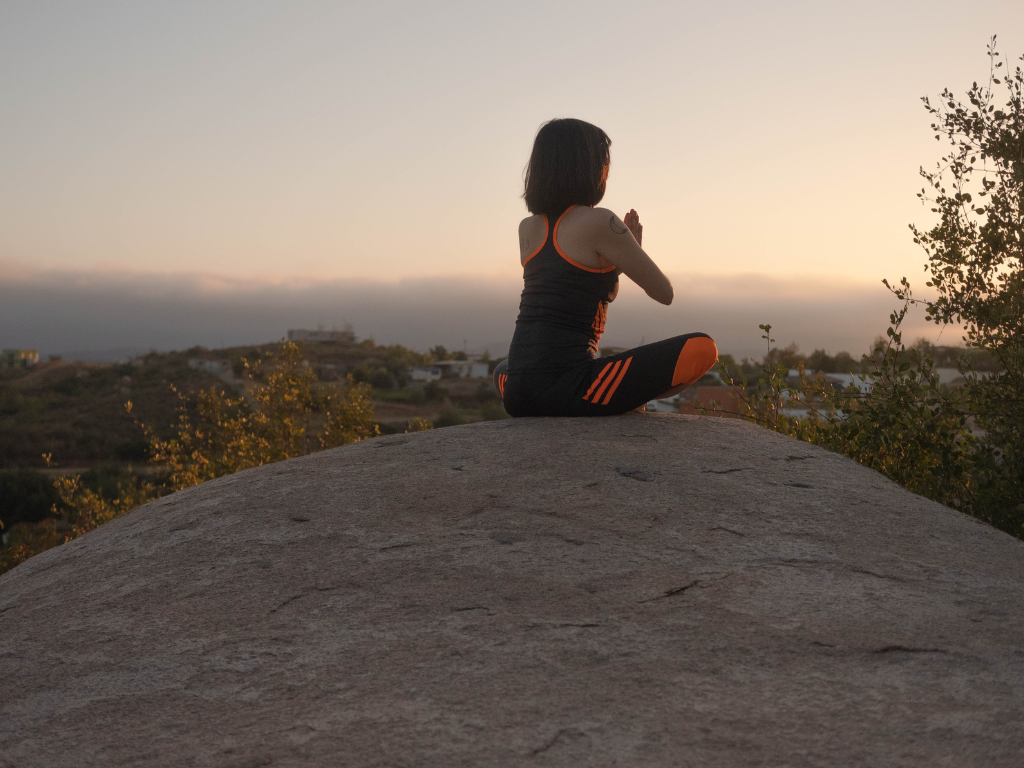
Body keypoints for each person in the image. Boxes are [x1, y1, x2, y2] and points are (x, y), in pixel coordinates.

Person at [493, 118, 718, 417]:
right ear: (589, 168)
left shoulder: (527, 228)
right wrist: (631, 250)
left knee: (502, 368)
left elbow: (570, 284)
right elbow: (664, 292)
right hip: (572, 388)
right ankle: (628, 402)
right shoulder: (600, 221)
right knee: (704, 349)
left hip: (517, 392)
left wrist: (615, 264)